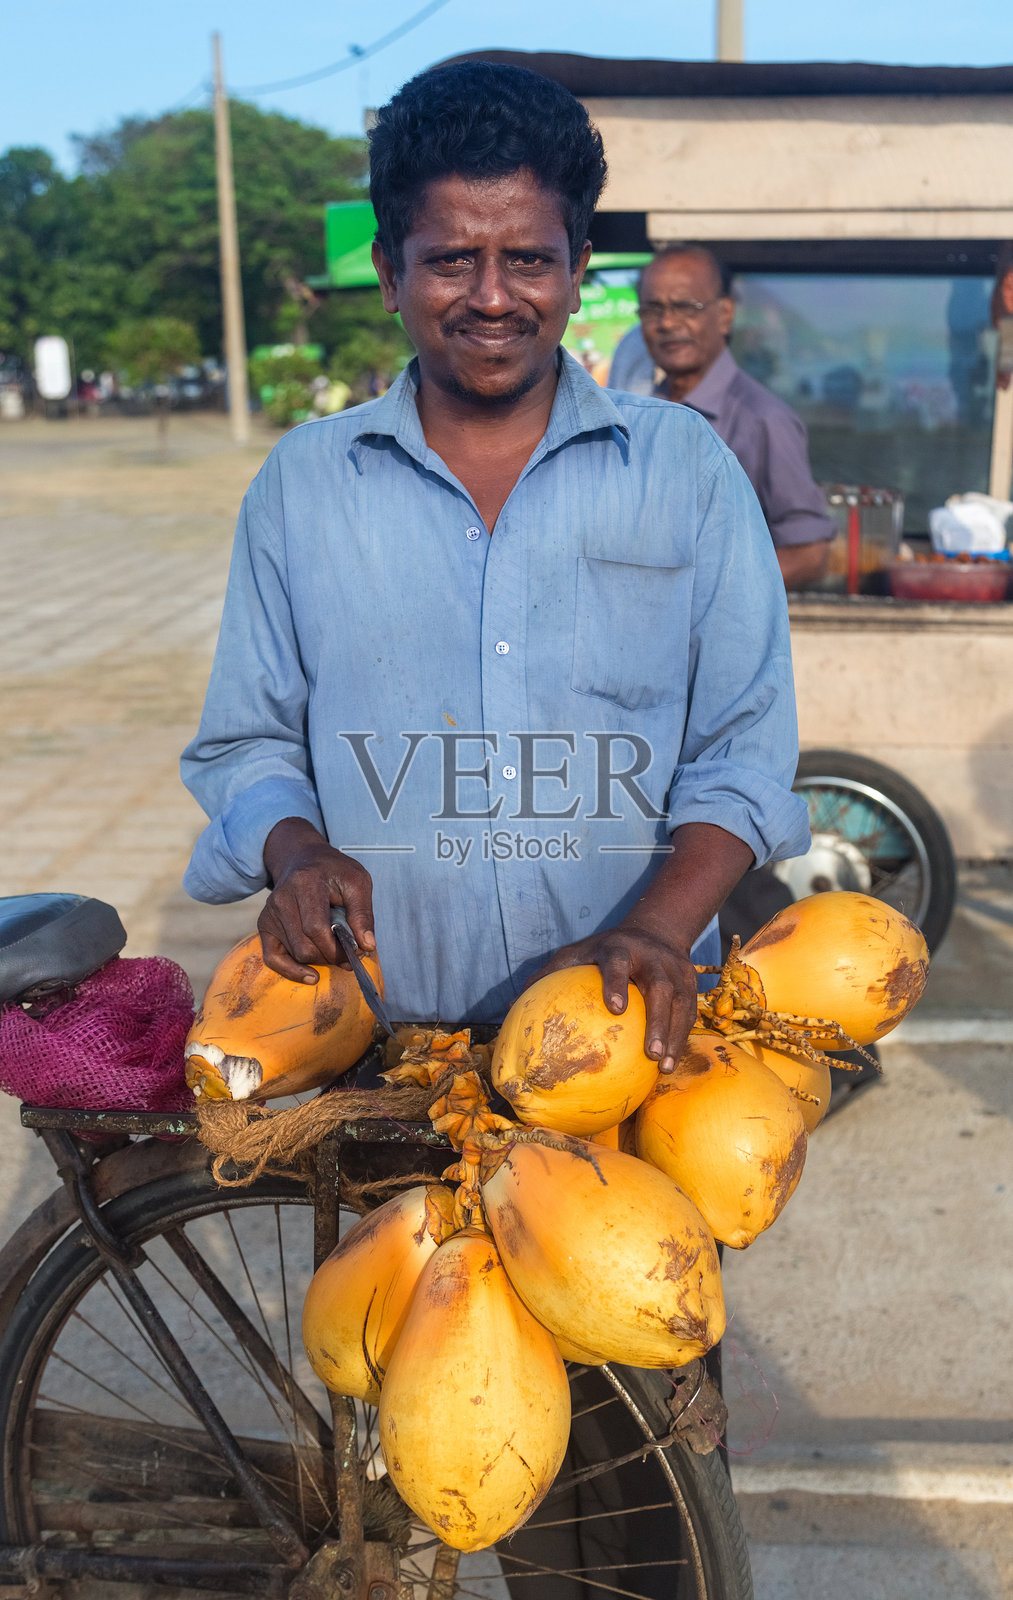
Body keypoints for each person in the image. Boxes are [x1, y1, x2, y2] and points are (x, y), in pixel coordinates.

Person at [181, 62, 808, 1076]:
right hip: (378, 1031)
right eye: (448, 260)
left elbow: (741, 747)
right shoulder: (303, 485)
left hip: (621, 1029)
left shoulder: (684, 470)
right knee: (388, 1247)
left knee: (634, 1246)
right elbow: (248, 738)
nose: (489, 297)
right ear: (388, 272)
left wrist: (656, 927)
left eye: (525, 258)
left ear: (577, 268)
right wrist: (294, 851)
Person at [609, 246, 835, 591]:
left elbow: (810, 554)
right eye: (653, 309)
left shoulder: (763, 420)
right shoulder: (636, 415)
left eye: (686, 307)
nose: (668, 323)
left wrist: (705, 597)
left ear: (725, 314)